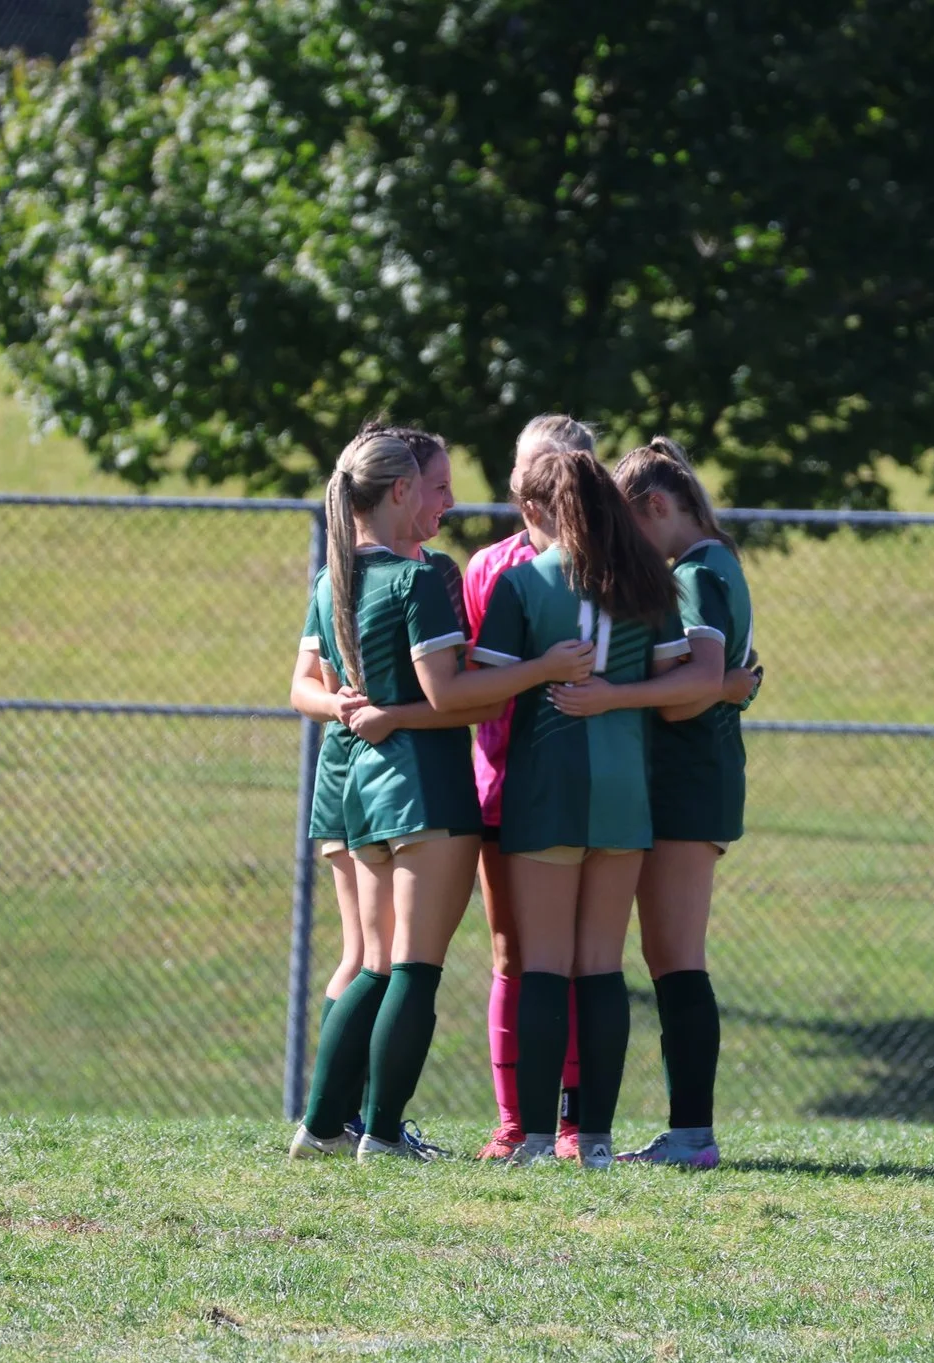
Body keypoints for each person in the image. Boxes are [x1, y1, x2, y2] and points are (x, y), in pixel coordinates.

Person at [286, 427, 591, 1162]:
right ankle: (376, 1131)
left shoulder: (335, 579)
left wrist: (371, 712)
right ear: (400, 491)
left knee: (372, 962)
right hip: (426, 788)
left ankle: (324, 1125)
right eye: (438, 487)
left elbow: (330, 691)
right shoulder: (423, 578)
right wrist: (541, 666)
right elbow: (450, 691)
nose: (450, 501)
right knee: (412, 967)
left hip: (362, 788)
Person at [465, 446, 729, 1167]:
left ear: (544, 508)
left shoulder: (523, 584)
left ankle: (539, 1138)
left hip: (546, 785)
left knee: (544, 962)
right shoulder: (647, 585)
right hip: (624, 792)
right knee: (601, 965)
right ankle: (600, 1140)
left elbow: (485, 693)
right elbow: (684, 688)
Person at [551, 437, 754, 1169]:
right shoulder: (713, 562)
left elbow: (696, 683)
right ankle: (688, 1131)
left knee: (675, 959)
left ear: (658, 508)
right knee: (668, 955)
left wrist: (614, 694)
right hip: (693, 779)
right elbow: (721, 678)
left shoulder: (697, 571)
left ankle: (693, 1133)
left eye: (627, 523)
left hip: (688, 781)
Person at [464, 414, 592, 1162]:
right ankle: (516, 1121)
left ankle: (577, 1122)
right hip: (507, 787)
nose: (538, 489)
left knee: (587, 959)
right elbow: (474, 685)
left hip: (596, 797)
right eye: (529, 474)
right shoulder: (492, 569)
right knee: (515, 954)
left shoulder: (616, 564)